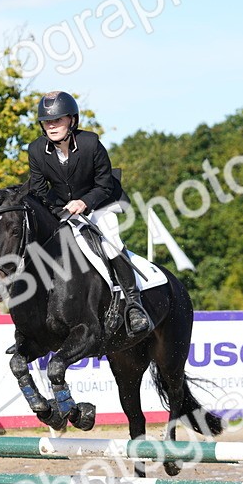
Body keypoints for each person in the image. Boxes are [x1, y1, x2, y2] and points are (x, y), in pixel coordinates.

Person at [26, 90, 151, 337]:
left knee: (111, 242)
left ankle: (134, 304)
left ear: (72, 120)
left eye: (57, 120)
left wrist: (83, 202)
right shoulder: (36, 150)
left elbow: (104, 184)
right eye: (47, 121)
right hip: (62, 210)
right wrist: (56, 212)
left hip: (99, 203)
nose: (51, 125)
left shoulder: (90, 143)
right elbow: (40, 191)